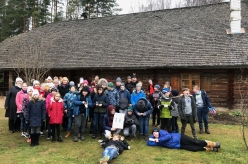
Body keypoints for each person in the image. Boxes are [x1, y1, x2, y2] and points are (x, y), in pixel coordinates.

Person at [147, 128, 220, 152]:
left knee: (195, 142)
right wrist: (153, 138)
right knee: (194, 148)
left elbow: (168, 137)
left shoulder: (162, 132)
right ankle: (210, 149)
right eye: (154, 133)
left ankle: (213, 144)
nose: (156, 133)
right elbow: (149, 143)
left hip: (180, 138)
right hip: (178, 145)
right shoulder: (157, 141)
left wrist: (159, 139)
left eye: (156, 132)